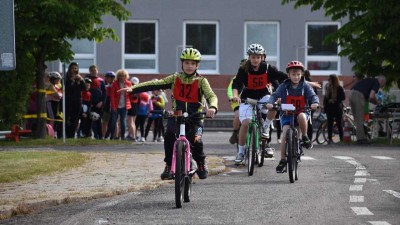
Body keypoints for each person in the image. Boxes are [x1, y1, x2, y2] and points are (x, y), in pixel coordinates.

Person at [119, 47, 218, 180]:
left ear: (197, 65)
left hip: (195, 117)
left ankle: (200, 163)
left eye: (193, 63)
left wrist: (212, 107)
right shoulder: (175, 78)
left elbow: (211, 96)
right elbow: (155, 84)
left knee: (196, 140)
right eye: (187, 63)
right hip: (177, 115)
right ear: (182, 63)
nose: (189, 66)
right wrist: (133, 89)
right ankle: (169, 165)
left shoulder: (201, 81)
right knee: (169, 135)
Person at [231, 43, 288, 163]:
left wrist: (281, 93)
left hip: (263, 95)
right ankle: (241, 152)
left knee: (273, 105)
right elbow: (236, 83)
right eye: (253, 57)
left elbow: (280, 77)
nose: (255, 59)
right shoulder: (243, 69)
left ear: (262, 57)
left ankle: (266, 126)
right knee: (246, 123)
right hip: (248, 97)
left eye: (258, 57)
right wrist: (235, 96)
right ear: (249, 57)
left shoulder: (267, 68)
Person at [266, 60, 319, 173]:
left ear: (302, 75)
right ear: (289, 75)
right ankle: (282, 160)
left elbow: (313, 96)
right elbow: (274, 95)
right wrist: (270, 102)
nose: (296, 77)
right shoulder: (283, 86)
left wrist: (315, 103)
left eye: (298, 74)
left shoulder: (305, 86)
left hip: (301, 112)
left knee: (301, 117)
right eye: (293, 74)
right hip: (287, 114)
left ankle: (304, 137)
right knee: (285, 135)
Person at [349, 75, 386, 144]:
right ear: (382, 81)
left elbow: (369, 98)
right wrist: (377, 102)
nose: (382, 86)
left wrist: (375, 102)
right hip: (358, 95)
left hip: (351, 94)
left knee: (356, 119)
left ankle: (360, 137)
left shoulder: (369, 80)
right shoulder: (376, 82)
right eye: (383, 84)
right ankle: (361, 139)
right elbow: (372, 96)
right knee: (360, 118)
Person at [64, 62, 86, 138]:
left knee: (75, 119)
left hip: (77, 101)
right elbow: (67, 89)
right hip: (68, 101)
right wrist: (72, 80)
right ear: (70, 69)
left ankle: (72, 136)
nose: (74, 69)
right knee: (67, 119)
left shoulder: (79, 78)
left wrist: (81, 80)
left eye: (76, 68)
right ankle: (66, 135)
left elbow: (84, 88)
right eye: (73, 68)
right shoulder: (67, 78)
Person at [109, 69, 132, 140]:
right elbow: (112, 95)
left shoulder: (128, 83)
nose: (122, 77)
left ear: (126, 76)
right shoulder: (114, 83)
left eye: (124, 76)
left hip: (124, 106)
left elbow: (131, 94)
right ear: (118, 76)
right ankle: (111, 136)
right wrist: (113, 106)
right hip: (116, 105)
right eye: (120, 76)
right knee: (113, 121)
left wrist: (128, 92)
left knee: (123, 122)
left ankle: (122, 136)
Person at [323, 74, 345, 144]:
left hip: (337, 108)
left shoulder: (339, 88)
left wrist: (335, 100)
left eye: (329, 79)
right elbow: (325, 98)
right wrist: (325, 106)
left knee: (339, 123)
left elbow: (343, 97)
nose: (328, 81)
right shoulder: (327, 87)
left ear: (333, 80)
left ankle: (342, 139)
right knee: (330, 124)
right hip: (329, 108)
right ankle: (330, 139)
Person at [87, 65, 106, 139]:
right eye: (92, 70)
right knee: (90, 120)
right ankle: (91, 135)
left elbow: (104, 92)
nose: (93, 72)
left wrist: (101, 102)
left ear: (97, 71)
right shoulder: (87, 79)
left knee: (98, 119)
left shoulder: (101, 80)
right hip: (90, 103)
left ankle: (100, 135)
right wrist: (89, 102)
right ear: (90, 71)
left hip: (99, 103)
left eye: (95, 70)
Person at [45, 72, 63, 138]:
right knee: (52, 118)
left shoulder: (56, 85)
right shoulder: (50, 85)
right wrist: (59, 94)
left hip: (56, 103)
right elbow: (58, 95)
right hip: (50, 103)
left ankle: (54, 133)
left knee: (57, 118)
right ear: (52, 79)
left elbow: (60, 95)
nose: (58, 80)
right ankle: (50, 134)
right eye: (57, 79)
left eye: (58, 79)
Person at [304, 70, 318, 140]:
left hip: (303, 104)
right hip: (311, 105)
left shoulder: (302, 82)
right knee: (309, 121)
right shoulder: (312, 83)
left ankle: (303, 136)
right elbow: (315, 94)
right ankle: (309, 138)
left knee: (303, 121)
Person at [102, 71, 116, 139]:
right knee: (105, 121)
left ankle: (114, 136)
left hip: (114, 105)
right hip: (106, 105)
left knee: (114, 122)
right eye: (106, 77)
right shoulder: (105, 86)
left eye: (108, 77)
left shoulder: (115, 86)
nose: (107, 79)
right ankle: (104, 136)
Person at [126, 76, 140, 141]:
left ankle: (133, 136)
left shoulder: (132, 89)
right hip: (136, 106)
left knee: (130, 122)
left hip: (131, 105)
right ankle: (130, 134)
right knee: (133, 122)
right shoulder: (138, 89)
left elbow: (131, 96)